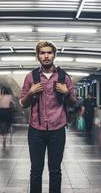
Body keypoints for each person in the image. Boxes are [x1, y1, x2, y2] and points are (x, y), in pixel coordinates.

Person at [20, 41, 76, 193]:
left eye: (49, 53)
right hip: (36, 130)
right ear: (37, 56)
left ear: (54, 55)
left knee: (55, 170)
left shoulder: (64, 77)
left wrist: (67, 93)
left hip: (57, 129)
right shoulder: (31, 77)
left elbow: (73, 103)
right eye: (42, 53)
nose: (46, 56)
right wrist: (31, 92)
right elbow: (23, 103)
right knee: (36, 170)